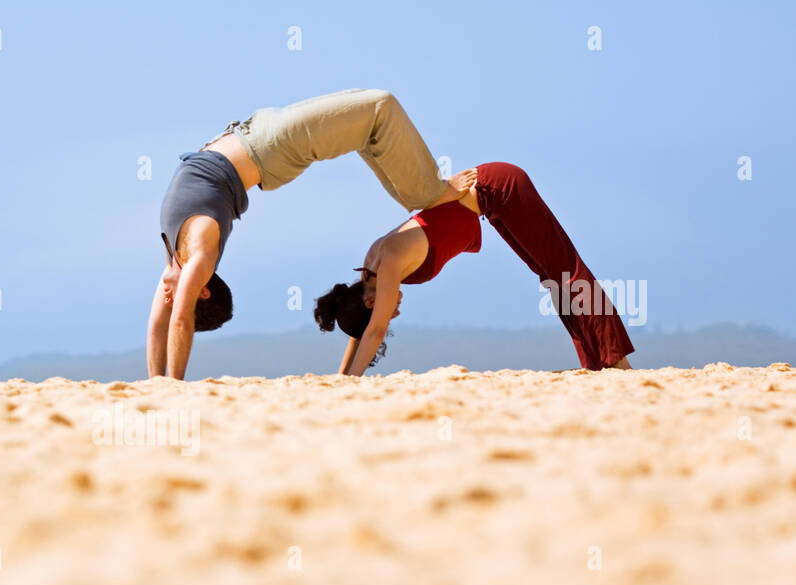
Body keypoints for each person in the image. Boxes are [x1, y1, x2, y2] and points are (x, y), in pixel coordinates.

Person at [147, 89, 475, 379]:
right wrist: (156, 384)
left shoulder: (197, 257)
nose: (166, 298)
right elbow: (163, 325)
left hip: (266, 144)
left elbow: (175, 323)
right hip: (264, 144)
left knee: (379, 112)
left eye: (179, 300)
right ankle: (425, 193)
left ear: (199, 292)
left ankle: (431, 192)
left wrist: (169, 386)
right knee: (376, 119)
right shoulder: (182, 258)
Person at [316, 162, 634, 375]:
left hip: (498, 187)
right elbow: (361, 332)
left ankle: (616, 361)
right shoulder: (369, 271)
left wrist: (352, 385)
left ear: (372, 301)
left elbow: (374, 330)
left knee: (565, 269)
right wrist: (341, 380)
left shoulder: (389, 262)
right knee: (552, 276)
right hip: (491, 201)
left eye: (387, 310)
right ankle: (598, 362)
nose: (394, 311)